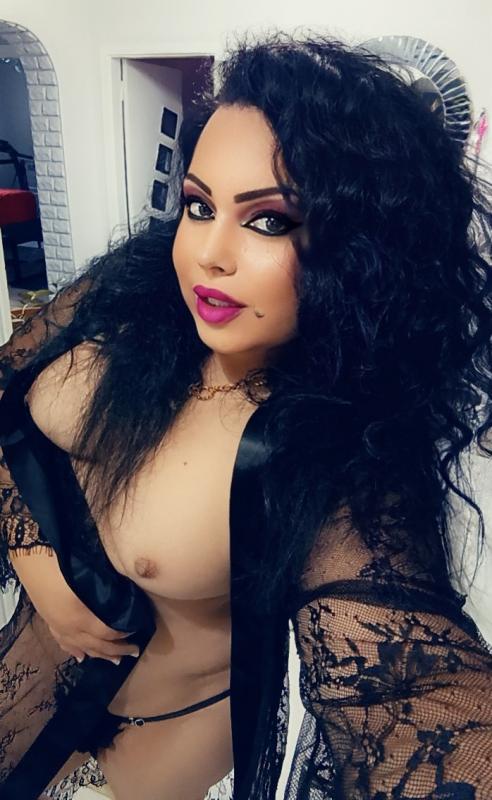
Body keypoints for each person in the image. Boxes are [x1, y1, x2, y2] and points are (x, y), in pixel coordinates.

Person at [0, 28, 492, 800]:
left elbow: (417, 691)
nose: (209, 254)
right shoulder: (127, 295)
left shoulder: (336, 447)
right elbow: (7, 391)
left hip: (156, 728)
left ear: (360, 252)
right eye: (199, 206)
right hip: (32, 655)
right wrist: (34, 558)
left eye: (268, 221)